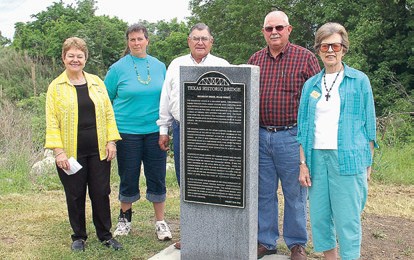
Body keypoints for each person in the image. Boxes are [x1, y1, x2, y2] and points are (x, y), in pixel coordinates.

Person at [297, 22, 377, 260]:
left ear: (344, 48)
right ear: (318, 50)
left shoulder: (359, 81)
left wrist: (368, 165)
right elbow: (302, 128)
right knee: (320, 216)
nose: (330, 50)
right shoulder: (310, 85)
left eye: (335, 45)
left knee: (347, 218)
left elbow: (370, 125)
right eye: (324, 46)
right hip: (316, 159)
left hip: (349, 159)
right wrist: (302, 163)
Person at [247, 11, 321, 259]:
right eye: (269, 29)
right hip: (260, 135)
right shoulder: (255, 60)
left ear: (289, 29)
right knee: (264, 193)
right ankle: (266, 241)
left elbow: (317, 99)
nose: (274, 32)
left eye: (279, 27)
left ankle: (296, 243)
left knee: (295, 193)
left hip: (292, 136)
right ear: (263, 32)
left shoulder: (306, 58)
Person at [45, 37, 122, 251]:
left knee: (100, 192)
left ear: (85, 59)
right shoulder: (56, 87)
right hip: (70, 152)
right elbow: (51, 121)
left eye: (79, 56)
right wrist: (58, 152)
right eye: (71, 56)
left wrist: (111, 141)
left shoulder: (97, 82)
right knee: (75, 194)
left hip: (98, 150)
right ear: (63, 58)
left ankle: (105, 235)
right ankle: (78, 236)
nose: (75, 60)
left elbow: (108, 113)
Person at [157, 23, 230, 249]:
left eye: (204, 38)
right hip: (183, 130)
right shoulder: (176, 64)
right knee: (187, 183)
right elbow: (166, 97)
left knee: (215, 183)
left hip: (215, 133)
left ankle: (218, 233)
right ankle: (192, 233)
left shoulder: (223, 65)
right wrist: (163, 129)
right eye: (196, 38)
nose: (200, 42)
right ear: (189, 41)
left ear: (211, 42)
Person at [104, 23, 172, 241]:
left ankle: (160, 222)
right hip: (126, 132)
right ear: (128, 42)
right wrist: (110, 135)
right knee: (128, 176)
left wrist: (166, 127)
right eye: (132, 39)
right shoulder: (117, 69)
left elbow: (167, 97)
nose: (136, 43)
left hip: (155, 131)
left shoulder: (160, 66)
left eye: (140, 39)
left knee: (157, 176)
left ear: (147, 40)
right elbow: (106, 100)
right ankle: (125, 220)